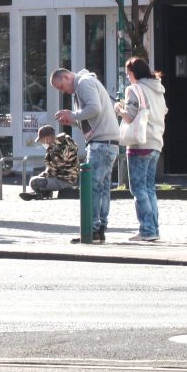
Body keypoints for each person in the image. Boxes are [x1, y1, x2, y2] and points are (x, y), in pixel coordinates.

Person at [51, 67, 119, 244]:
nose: (63, 91)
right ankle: (100, 229)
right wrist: (73, 121)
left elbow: (94, 108)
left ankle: (93, 229)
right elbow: (90, 119)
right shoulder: (85, 84)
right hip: (107, 142)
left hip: (101, 144)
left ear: (66, 76)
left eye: (61, 87)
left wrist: (72, 114)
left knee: (93, 187)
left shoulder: (83, 83)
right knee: (102, 188)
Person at [115, 57, 168, 242]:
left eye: (128, 74)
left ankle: (146, 230)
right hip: (156, 142)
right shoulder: (158, 89)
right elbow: (164, 111)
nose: (128, 78)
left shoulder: (134, 89)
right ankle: (154, 228)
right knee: (149, 188)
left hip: (139, 143)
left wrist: (118, 109)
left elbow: (129, 117)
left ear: (134, 73)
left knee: (138, 188)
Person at [20, 125, 79, 201]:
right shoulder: (64, 143)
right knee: (41, 179)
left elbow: (52, 172)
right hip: (71, 179)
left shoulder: (56, 149)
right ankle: (43, 192)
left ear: (47, 139)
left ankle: (43, 192)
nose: (41, 143)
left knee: (34, 181)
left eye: (41, 141)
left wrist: (41, 176)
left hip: (64, 180)